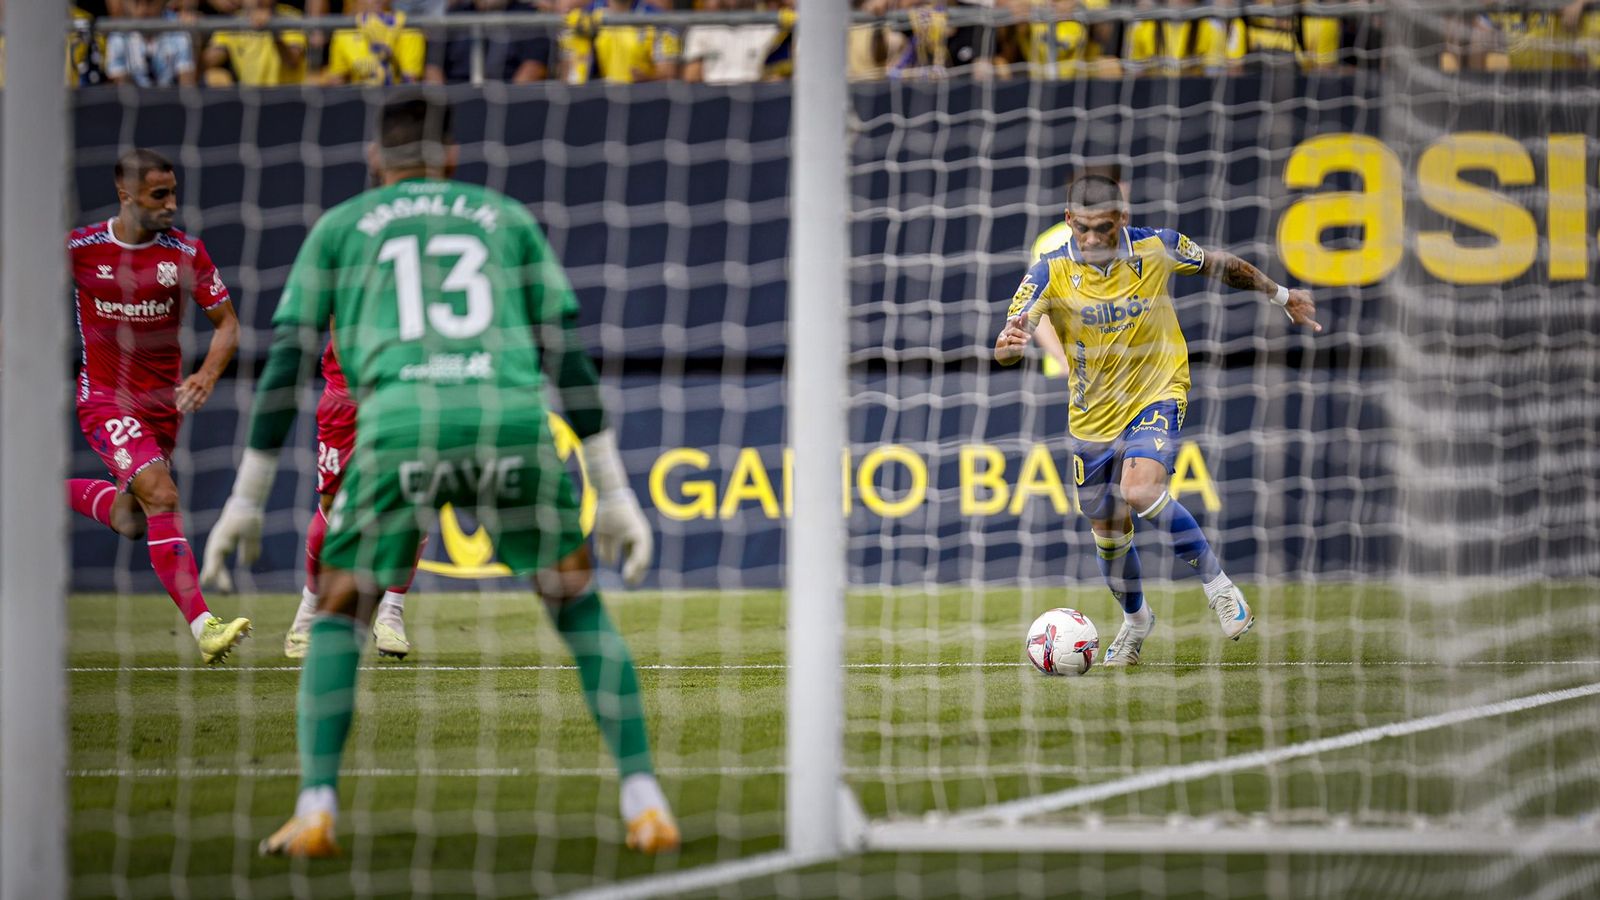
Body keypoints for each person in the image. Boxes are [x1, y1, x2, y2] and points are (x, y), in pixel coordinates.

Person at [204, 94, 678, 857]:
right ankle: (646, 803)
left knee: (337, 614)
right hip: (507, 424)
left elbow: (288, 360)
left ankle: (317, 810)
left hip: (400, 430)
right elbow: (568, 355)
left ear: (374, 159)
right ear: (452, 157)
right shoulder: (504, 217)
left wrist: (245, 497)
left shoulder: (342, 226)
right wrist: (615, 491)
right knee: (577, 606)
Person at [993, 174, 1321, 666]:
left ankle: (1220, 588)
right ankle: (1136, 620)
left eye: (1103, 227)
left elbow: (1222, 266)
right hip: (1092, 418)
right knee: (1108, 533)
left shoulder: (1157, 246)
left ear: (1121, 219)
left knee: (1140, 489)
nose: (1091, 238)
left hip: (1158, 391)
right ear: (1068, 220)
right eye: (1082, 227)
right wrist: (1009, 347)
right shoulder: (1048, 271)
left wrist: (1281, 295)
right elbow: (1008, 342)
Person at [65, 149, 252, 665]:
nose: (171, 204)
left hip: (162, 406)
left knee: (131, 519)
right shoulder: (80, 248)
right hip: (104, 399)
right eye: (159, 195)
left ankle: (35, 492)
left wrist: (206, 374)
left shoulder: (186, 253)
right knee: (162, 495)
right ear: (125, 195)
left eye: (173, 193)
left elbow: (228, 324)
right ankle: (205, 626)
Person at [201, 336, 418, 660]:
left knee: (416, 497)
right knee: (334, 505)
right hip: (347, 397)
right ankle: (308, 613)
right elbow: (325, 330)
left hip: (409, 394)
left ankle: (391, 612)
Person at [103, 0, 198, 87]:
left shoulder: (178, 26)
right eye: (136, 2)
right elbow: (121, 87)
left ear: (162, 2)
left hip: (172, 97)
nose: (143, 10)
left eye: (150, 2)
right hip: (134, 98)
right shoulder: (118, 34)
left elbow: (186, 82)